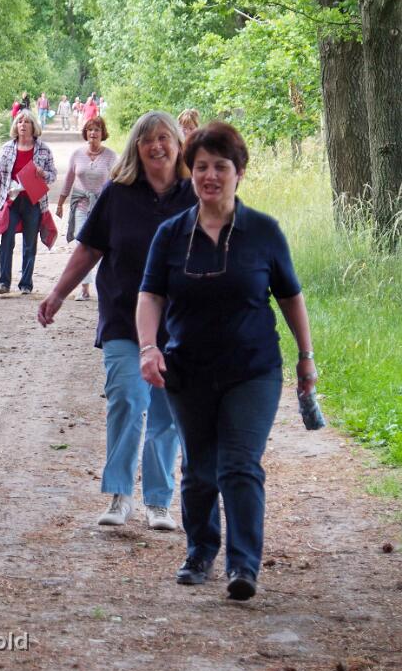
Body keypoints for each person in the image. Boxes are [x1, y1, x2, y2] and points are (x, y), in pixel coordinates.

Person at [136, 121, 317, 601]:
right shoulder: (171, 234)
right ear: (189, 173)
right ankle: (199, 551)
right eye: (200, 167)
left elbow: (291, 298)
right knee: (198, 468)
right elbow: (150, 295)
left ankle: (243, 565)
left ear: (239, 173)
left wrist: (306, 358)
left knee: (238, 464)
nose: (210, 175)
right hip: (187, 368)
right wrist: (149, 347)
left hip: (251, 370)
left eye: (221, 166)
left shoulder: (263, 232)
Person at [37, 111, 197, 530]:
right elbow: (88, 250)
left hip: (180, 324)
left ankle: (159, 502)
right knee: (128, 398)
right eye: (148, 139)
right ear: (136, 148)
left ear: (178, 144)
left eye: (165, 138)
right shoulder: (118, 194)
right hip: (124, 317)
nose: (157, 146)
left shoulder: (195, 196)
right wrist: (57, 294)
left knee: (166, 412)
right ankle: (120, 495)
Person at [0, 110, 58, 295]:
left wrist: (43, 173)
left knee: (29, 243)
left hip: (33, 201)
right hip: (11, 201)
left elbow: (53, 175)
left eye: (27, 122)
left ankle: (26, 284)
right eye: (20, 122)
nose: (23, 125)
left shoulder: (43, 149)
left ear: (34, 127)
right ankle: (4, 282)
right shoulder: (8, 148)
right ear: (15, 126)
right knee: (7, 239)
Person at [55, 116, 118, 301]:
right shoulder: (77, 154)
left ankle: (105, 287)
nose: (93, 133)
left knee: (104, 248)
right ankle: (84, 288)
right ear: (86, 133)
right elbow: (68, 179)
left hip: (102, 208)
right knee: (82, 246)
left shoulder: (111, 156)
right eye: (90, 130)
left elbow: (118, 181)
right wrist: (60, 203)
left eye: (97, 130)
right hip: (81, 204)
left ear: (102, 133)